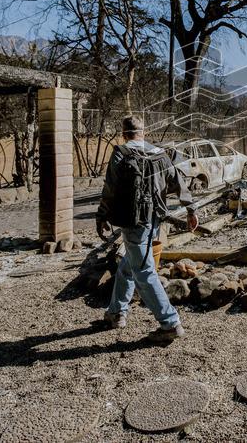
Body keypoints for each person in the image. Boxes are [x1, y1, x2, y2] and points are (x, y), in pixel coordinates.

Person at [96, 116, 198, 342]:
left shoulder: (121, 153)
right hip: (155, 220)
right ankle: (116, 313)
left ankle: (170, 323)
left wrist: (101, 216)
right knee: (128, 265)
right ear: (144, 132)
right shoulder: (159, 153)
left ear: (124, 133)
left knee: (143, 271)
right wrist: (191, 210)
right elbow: (179, 183)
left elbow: (110, 188)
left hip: (133, 221)